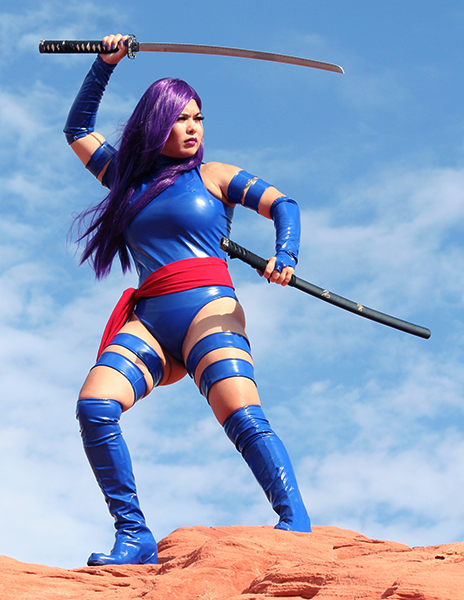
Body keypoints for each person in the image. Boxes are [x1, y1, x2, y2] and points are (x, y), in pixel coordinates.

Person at [65, 33, 311, 567]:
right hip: (150, 316)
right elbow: (78, 130)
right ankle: (134, 535)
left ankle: (294, 520)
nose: (193, 127)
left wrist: (285, 254)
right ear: (156, 123)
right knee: (95, 406)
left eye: (198, 117)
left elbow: (283, 204)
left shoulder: (213, 176)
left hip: (208, 308)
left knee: (239, 410)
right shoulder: (124, 180)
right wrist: (104, 63)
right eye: (181, 118)